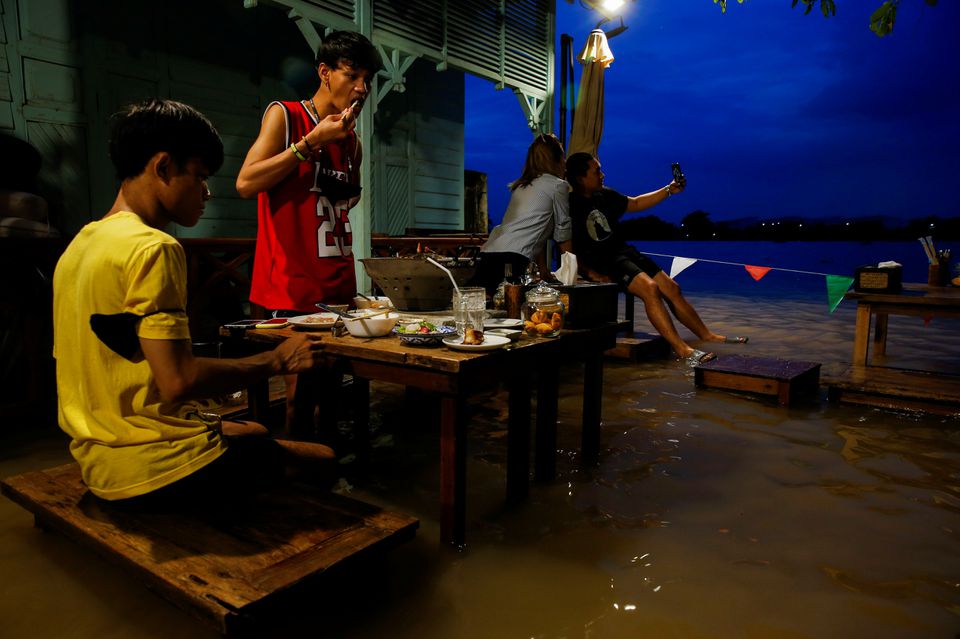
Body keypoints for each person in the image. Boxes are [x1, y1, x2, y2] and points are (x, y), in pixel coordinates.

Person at [52, 99, 334, 509]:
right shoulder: (154, 248)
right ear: (163, 167)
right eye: (200, 176)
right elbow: (179, 380)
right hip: (153, 466)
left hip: (97, 459)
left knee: (253, 429)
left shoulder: (79, 246)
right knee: (322, 460)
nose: (206, 192)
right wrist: (278, 361)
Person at [236, 31, 382, 433]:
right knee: (298, 403)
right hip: (290, 290)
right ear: (324, 72)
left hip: (338, 288)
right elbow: (246, 183)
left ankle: (325, 475)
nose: (361, 88)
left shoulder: (352, 143)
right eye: (352, 75)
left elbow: (345, 203)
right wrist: (308, 145)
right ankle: (295, 484)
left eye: (367, 79)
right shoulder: (285, 116)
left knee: (332, 398)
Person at [565, 152, 747, 365]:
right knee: (650, 289)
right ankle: (683, 350)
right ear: (580, 178)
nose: (602, 174)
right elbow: (565, 246)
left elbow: (636, 203)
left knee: (672, 288)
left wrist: (669, 190)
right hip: (604, 260)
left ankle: (707, 336)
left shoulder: (604, 195)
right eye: (597, 171)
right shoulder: (570, 204)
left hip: (624, 251)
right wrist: (588, 272)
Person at [472, 133, 572, 294]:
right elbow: (563, 231)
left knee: (478, 300)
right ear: (557, 159)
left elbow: (537, 230)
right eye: (563, 156)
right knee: (506, 305)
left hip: (491, 251)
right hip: (513, 257)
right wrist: (572, 268)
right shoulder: (558, 186)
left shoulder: (522, 186)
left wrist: (543, 270)